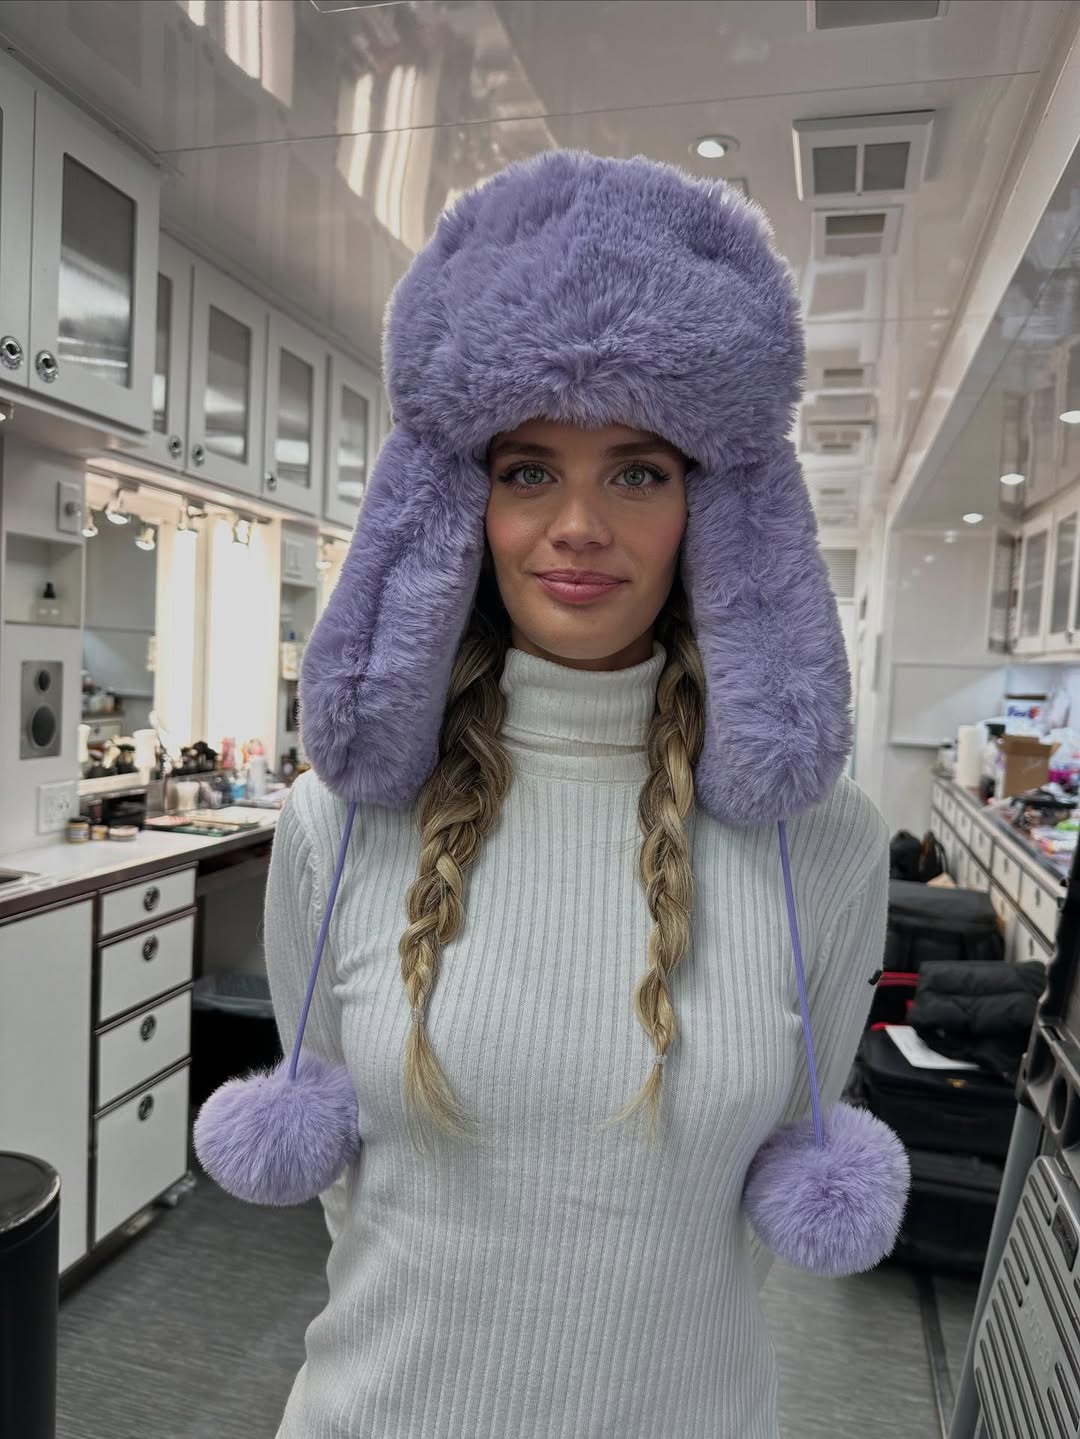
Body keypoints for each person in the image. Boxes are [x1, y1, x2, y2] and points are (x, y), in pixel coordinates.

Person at [195, 150, 909, 1438]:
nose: (578, 525)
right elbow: (351, 1195)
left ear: (713, 508)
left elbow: (755, 1192)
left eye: (637, 471)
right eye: (528, 470)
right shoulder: (341, 820)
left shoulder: (820, 843)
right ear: (459, 505)